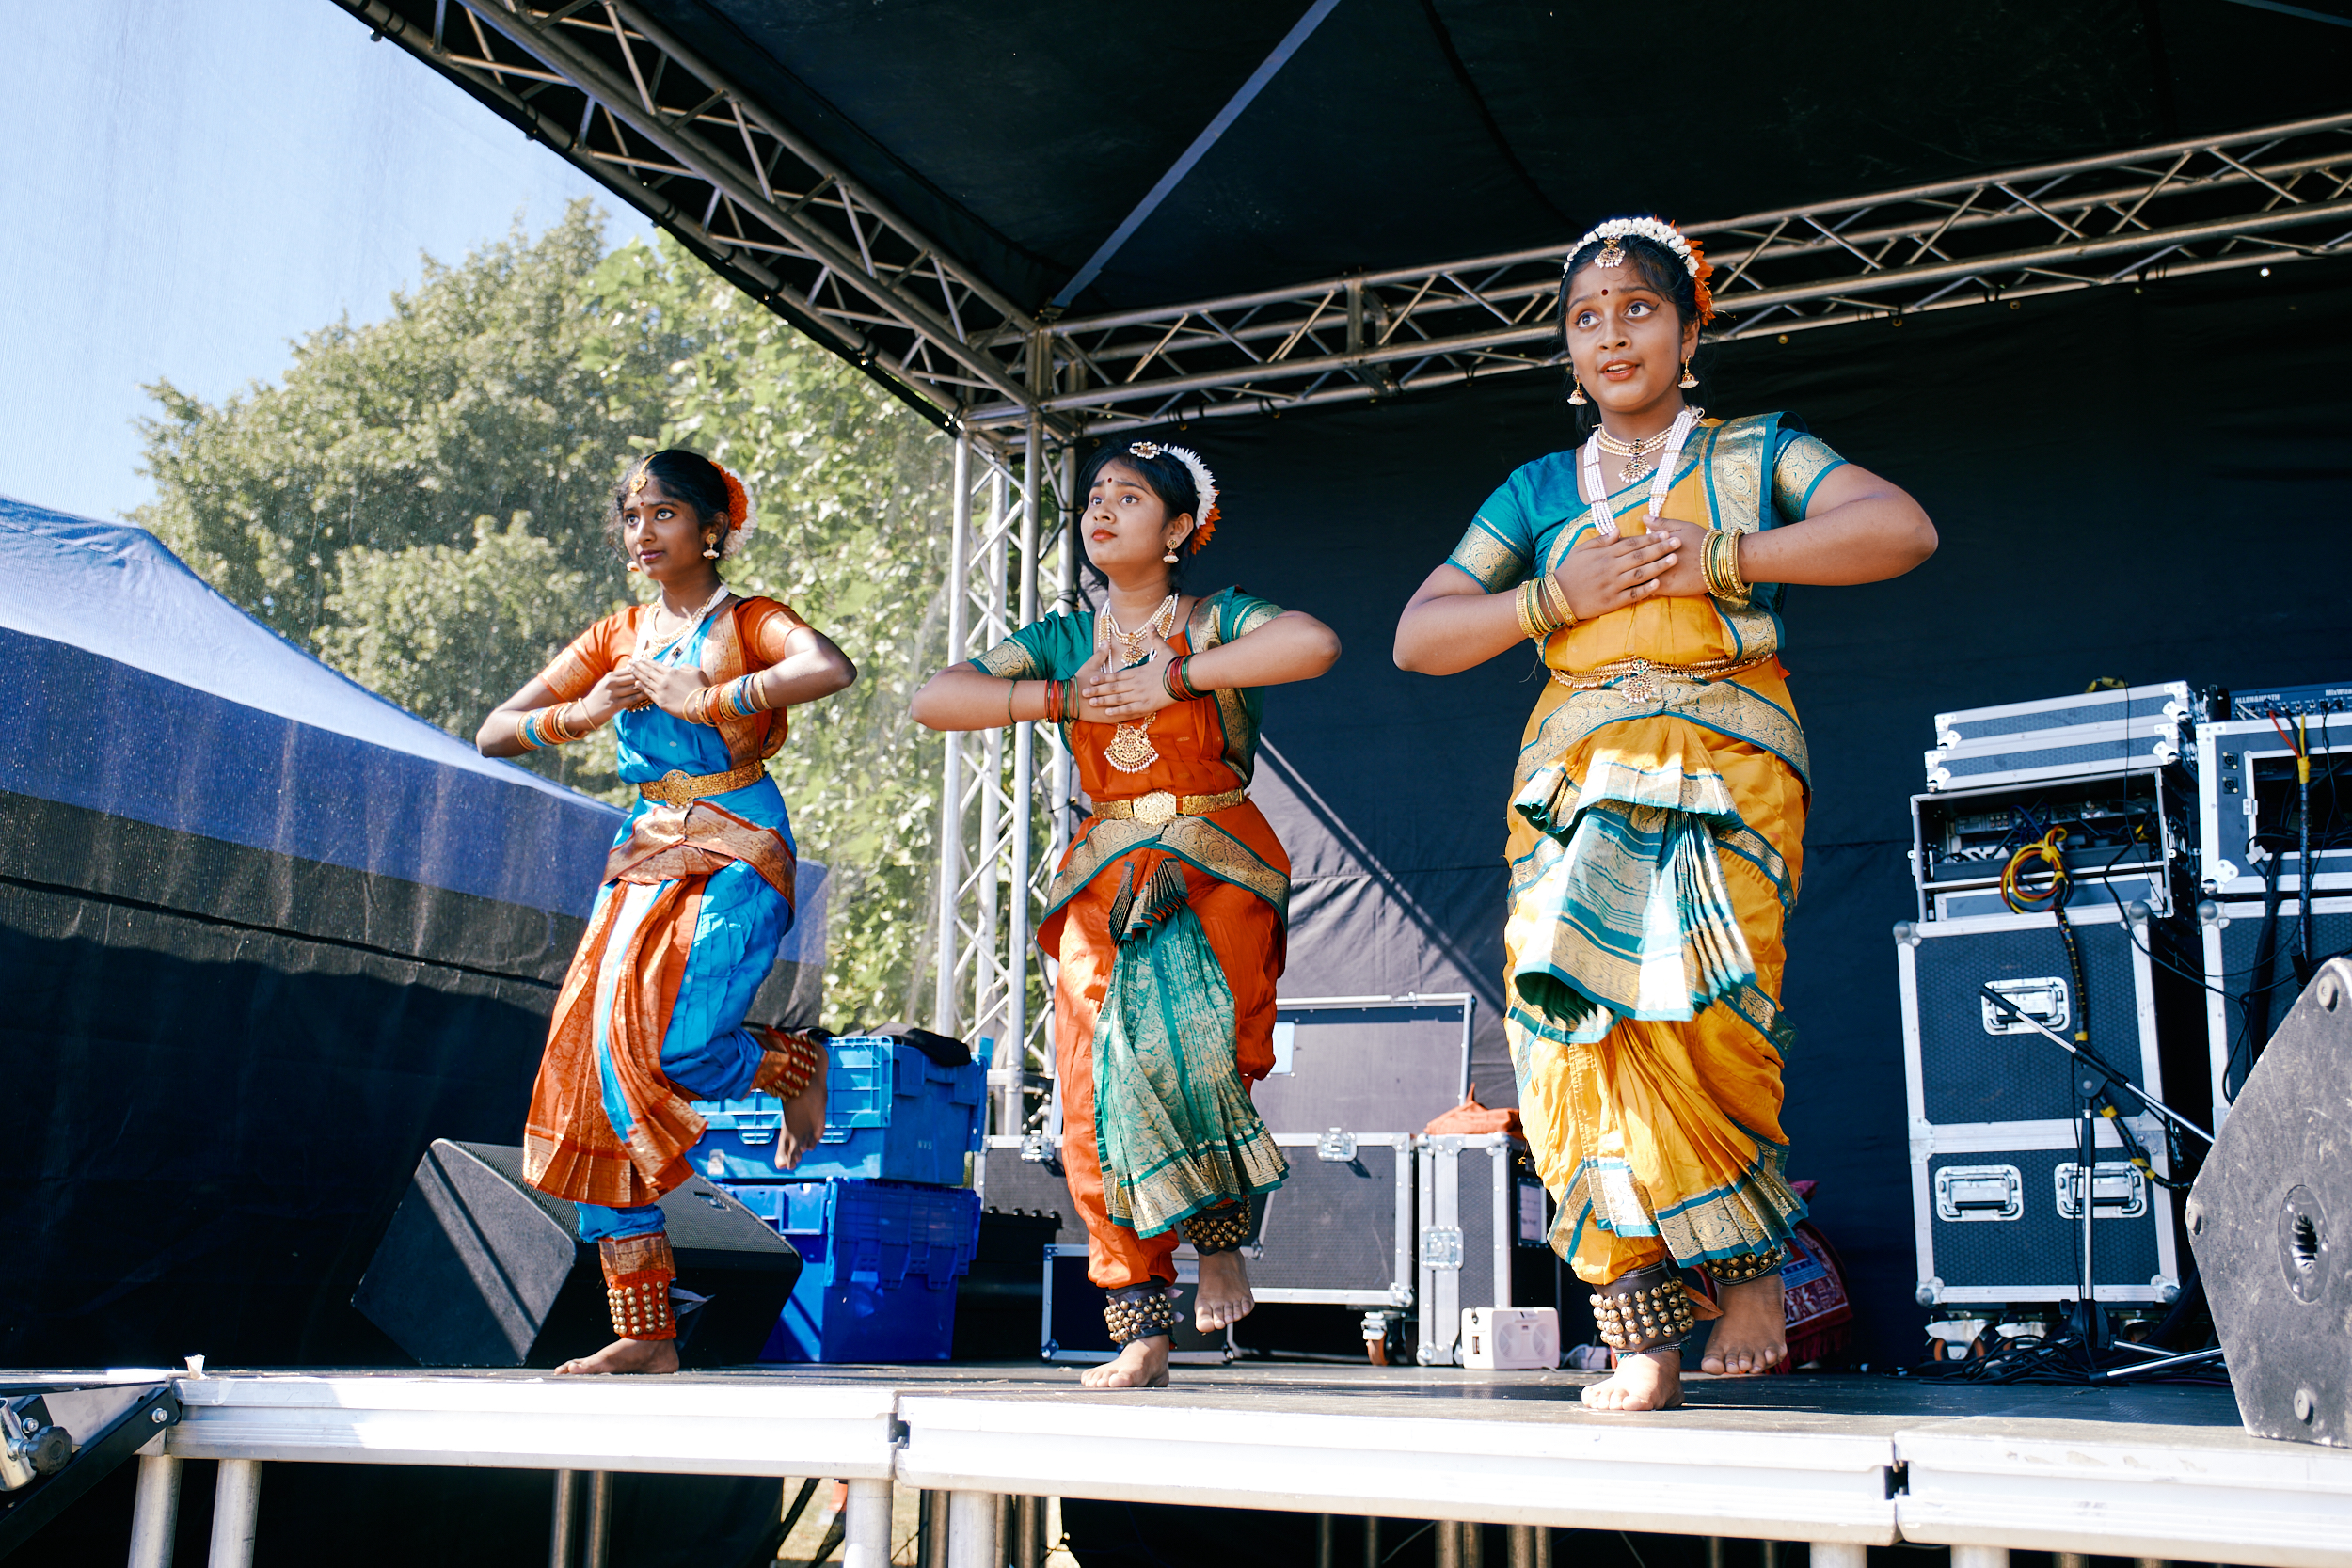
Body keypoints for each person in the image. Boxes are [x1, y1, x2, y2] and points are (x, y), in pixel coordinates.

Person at [1392, 216, 1937, 1411]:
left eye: (1636, 308)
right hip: (1573, 783)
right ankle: (1639, 1322)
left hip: (1722, 762)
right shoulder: (1539, 491)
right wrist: (1552, 592)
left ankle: (1745, 1270)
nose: (1610, 332)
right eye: (1586, 317)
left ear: (1690, 333)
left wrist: (1724, 559)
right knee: (1567, 1037)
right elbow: (1419, 634)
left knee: (1706, 1016)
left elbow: (1898, 528)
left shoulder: (1753, 452)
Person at [911, 442, 1340, 1388]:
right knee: (1091, 1085)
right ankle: (1140, 1322)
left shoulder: (1215, 618)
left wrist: (1175, 679)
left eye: (1130, 497)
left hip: (1216, 861)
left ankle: (1217, 1238)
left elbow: (1311, 643)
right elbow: (935, 698)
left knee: (1206, 1060)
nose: (1100, 510)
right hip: (1104, 871)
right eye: (1094, 496)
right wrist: (1056, 697)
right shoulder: (1066, 637)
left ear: (1180, 529)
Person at [477, 448, 856, 1375]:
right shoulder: (614, 635)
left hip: (737, 843)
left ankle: (792, 1059)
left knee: (680, 1048)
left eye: (663, 516)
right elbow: (492, 732)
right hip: (643, 853)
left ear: (711, 528)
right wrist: (581, 712)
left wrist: (716, 695)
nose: (641, 533)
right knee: (595, 1080)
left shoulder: (751, 619)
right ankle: (648, 1333)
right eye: (632, 516)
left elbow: (828, 667)